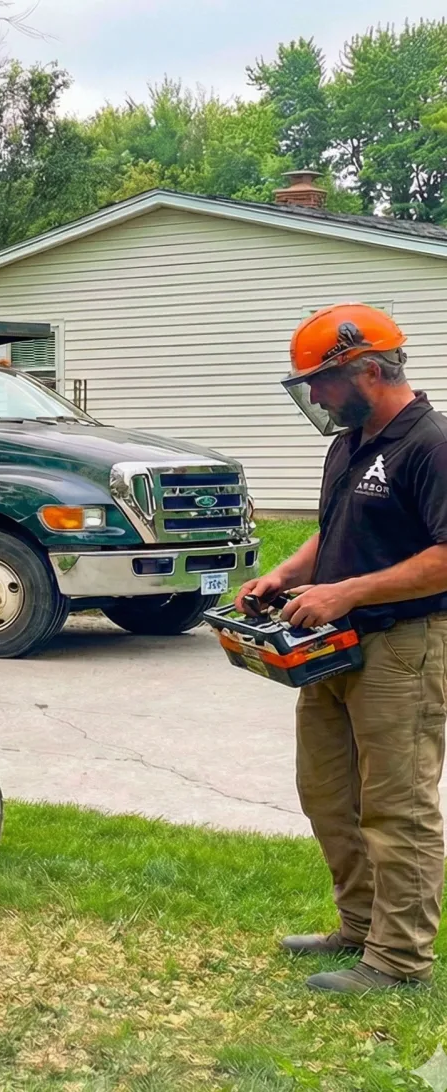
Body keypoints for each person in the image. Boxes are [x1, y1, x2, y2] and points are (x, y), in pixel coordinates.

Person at [237, 303, 447, 993]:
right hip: (335, 645)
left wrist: (348, 592)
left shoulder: (430, 445)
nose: (316, 396)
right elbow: (334, 530)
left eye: (322, 382)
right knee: (327, 791)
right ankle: (358, 926)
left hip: (404, 646)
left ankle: (399, 960)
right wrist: (287, 575)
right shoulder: (349, 443)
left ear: (369, 369)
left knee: (397, 803)